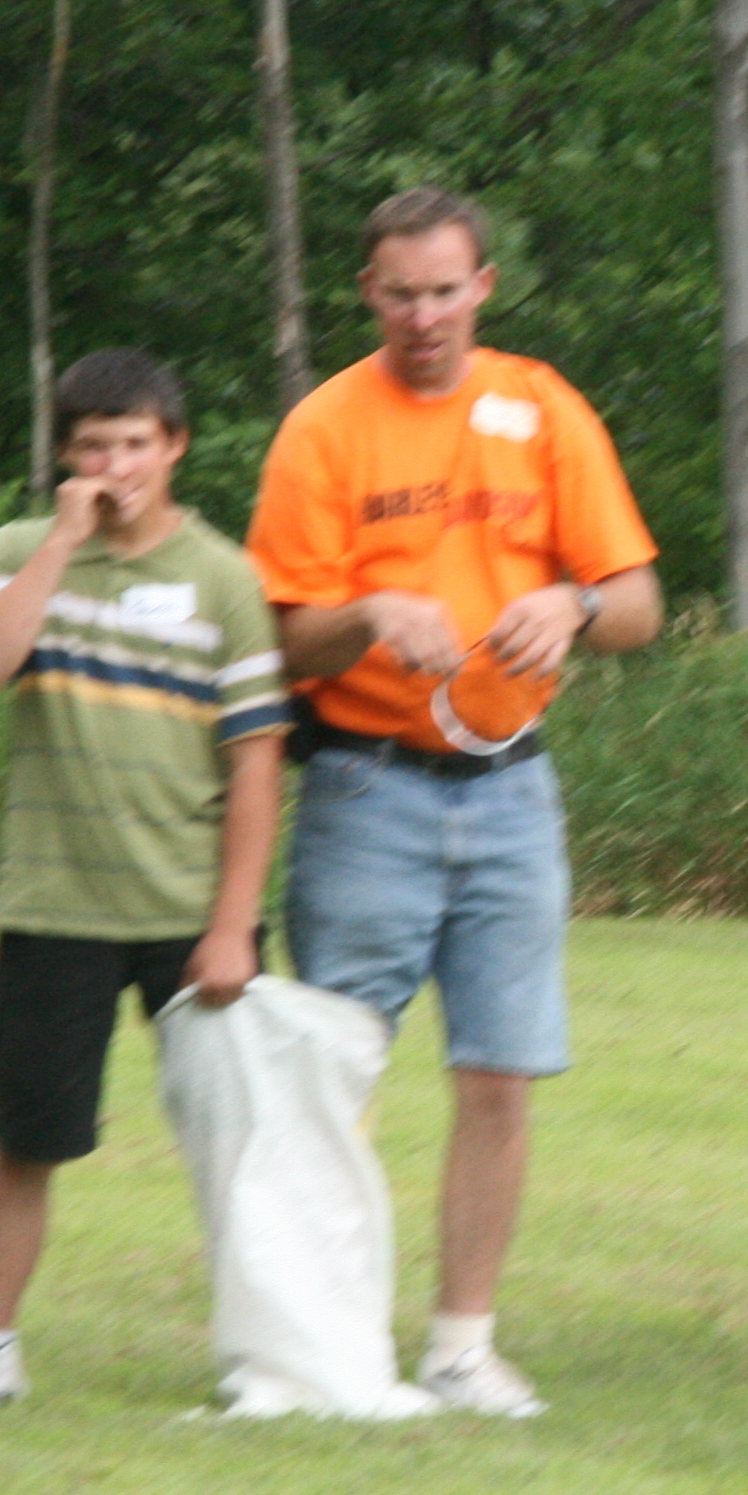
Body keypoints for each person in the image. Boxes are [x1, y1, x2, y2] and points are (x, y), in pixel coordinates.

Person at [246, 188, 663, 1418]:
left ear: (483, 287)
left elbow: (639, 603)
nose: (423, 316)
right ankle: (315, 1344)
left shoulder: (541, 408)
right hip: (366, 784)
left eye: (443, 291)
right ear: (366, 295)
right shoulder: (327, 429)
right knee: (332, 1073)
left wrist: (574, 605)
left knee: (498, 1076)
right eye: (400, 294)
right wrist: (372, 613)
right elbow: (282, 640)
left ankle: (462, 1347)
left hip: (512, 789)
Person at [0, 349, 287, 1413]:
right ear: (64, 458)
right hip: (55, 905)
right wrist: (62, 544)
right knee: (26, 1140)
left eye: (135, 445)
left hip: (189, 911)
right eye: (92, 448)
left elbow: (256, 763)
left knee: (239, 1151)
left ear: (174, 448)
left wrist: (233, 925)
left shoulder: (225, 577)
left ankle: (270, 1357)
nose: (116, 467)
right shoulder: (19, 548)